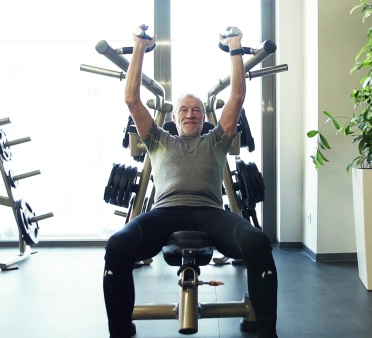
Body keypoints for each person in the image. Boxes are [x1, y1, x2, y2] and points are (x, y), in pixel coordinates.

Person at [102, 24, 278, 338]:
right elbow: (132, 99)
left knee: (258, 242)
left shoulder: (217, 140)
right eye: (184, 110)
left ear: (204, 117)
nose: (190, 114)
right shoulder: (158, 140)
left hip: (211, 212)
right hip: (165, 213)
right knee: (117, 245)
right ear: (175, 117)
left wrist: (235, 48)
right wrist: (139, 47)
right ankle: (120, 331)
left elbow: (236, 97)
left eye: (196, 110)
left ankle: (266, 332)